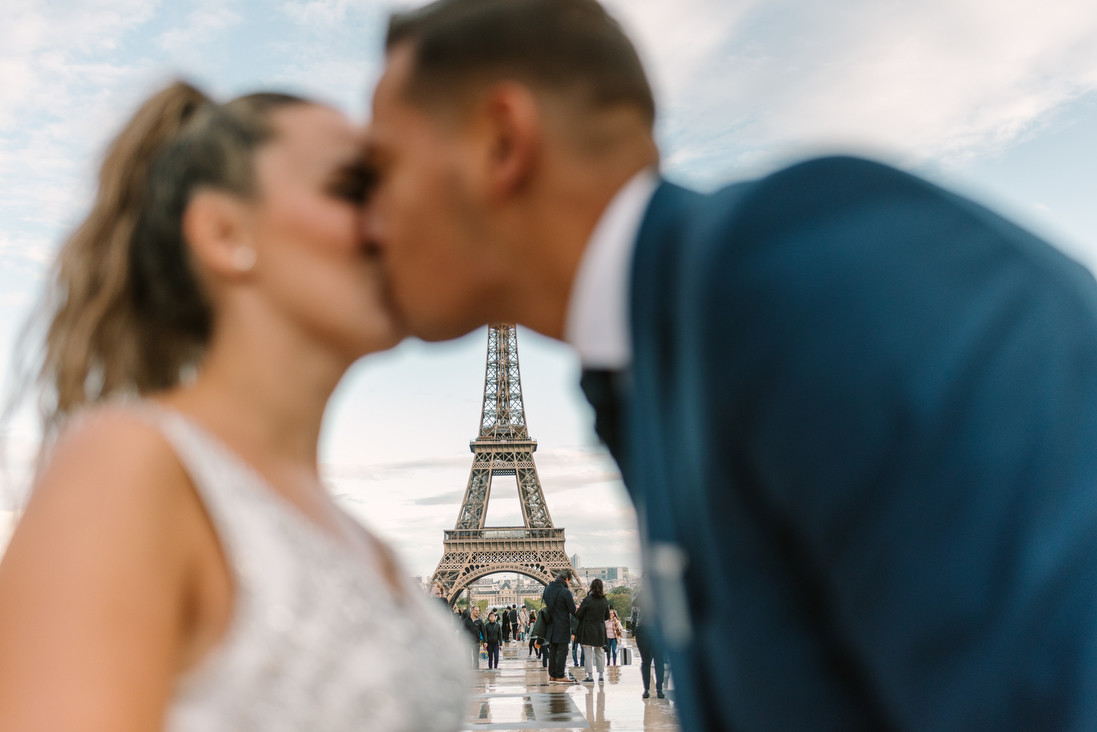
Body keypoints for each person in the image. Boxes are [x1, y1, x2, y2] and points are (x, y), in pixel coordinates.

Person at [364, 0, 1097, 728]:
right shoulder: (671, 355)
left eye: (381, 169)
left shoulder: (808, 267)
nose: (368, 219)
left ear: (502, 141)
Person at [0, 81, 467, 731]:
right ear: (223, 233)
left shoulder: (361, 539)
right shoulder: (125, 464)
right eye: (353, 188)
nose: (393, 223)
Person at [541, 570, 576, 683]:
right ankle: (560, 675)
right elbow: (572, 609)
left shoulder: (547, 589)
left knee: (553, 650)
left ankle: (552, 675)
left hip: (551, 624)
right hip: (562, 624)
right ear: (566, 579)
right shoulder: (565, 592)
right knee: (562, 651)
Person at [631, 590, 665, 700]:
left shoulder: (639, 596)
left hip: (643, 628)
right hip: (656, 628)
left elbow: (634, 611)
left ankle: (648, 689)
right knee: (657, 661)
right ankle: (658, 689)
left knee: (647, 661)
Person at [575, 578, 610, 683]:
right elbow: (607, 616)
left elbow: (578, 614)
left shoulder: (588, 599)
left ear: (591, 587)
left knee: (588, 653)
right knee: (599, 652)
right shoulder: (604, 600)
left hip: (588, 629)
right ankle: (601, 675)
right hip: (599, 629)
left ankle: (590, 676)